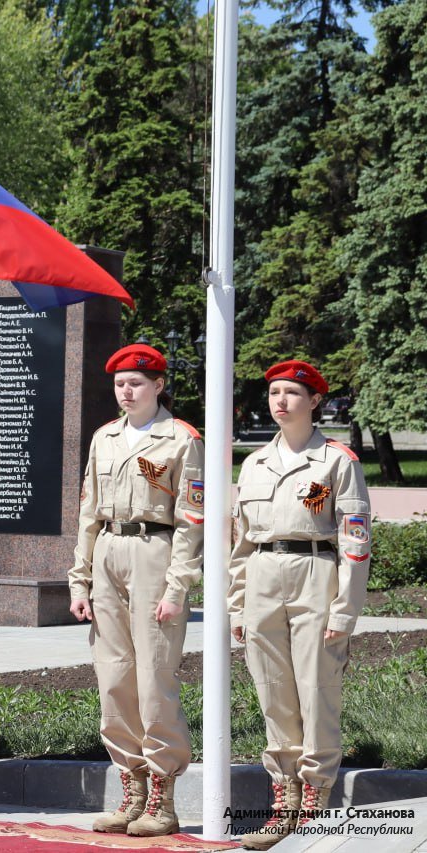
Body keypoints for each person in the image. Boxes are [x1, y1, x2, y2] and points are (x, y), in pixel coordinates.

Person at [228, 360, 370, 850]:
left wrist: (345, 608)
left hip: (317, 573)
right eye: (273, 393)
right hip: (263, 576)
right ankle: (283, 800)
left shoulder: (337, 461)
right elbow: (241, 543)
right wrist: (236, 604)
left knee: (317, 689)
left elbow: (355, 542)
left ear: (314, 401)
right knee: (273, 692)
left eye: (291, 393)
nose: (280, 401)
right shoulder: (253, 464)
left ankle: (315, 802)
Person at [68, 344, 204, 837]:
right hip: (109, 550)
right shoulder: (105, 438)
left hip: (155, 552)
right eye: (121, 384)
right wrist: (79, 578)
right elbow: (88, 512)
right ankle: (132, 791)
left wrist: (177, 584)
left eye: (137, 384)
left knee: (153, 679)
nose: (126, 392)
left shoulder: (181, 440)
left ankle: (163, 798)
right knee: (113, 678)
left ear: (159, 386)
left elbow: (193, 519)